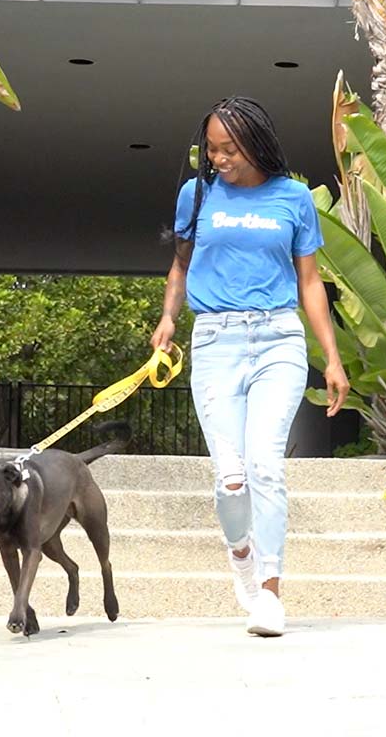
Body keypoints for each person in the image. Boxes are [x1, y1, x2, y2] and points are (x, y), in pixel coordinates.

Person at [150, 96, 349, 637]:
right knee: (231, 478)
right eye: (211, 149)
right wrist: (169, 319)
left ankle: (269, 592)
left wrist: (331, 357)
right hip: (215, 341)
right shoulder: (197, 195)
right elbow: (180, 266)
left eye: (229, 148)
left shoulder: (293, 199)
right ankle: (241, 552)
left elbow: (310, 282)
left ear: (256, 144)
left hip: (279, 338)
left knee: (265, 464)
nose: (218, 158)